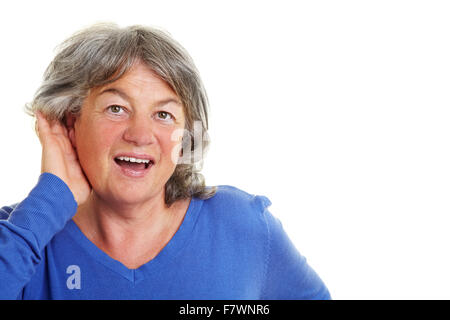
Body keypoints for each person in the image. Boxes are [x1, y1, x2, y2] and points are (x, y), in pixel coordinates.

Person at [0, 23, 330, 300]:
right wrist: (50, 199)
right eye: (117, 108)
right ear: (70, 122)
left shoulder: (241, 227)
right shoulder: (20, 236)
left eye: (163, 114)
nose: (141, 135)